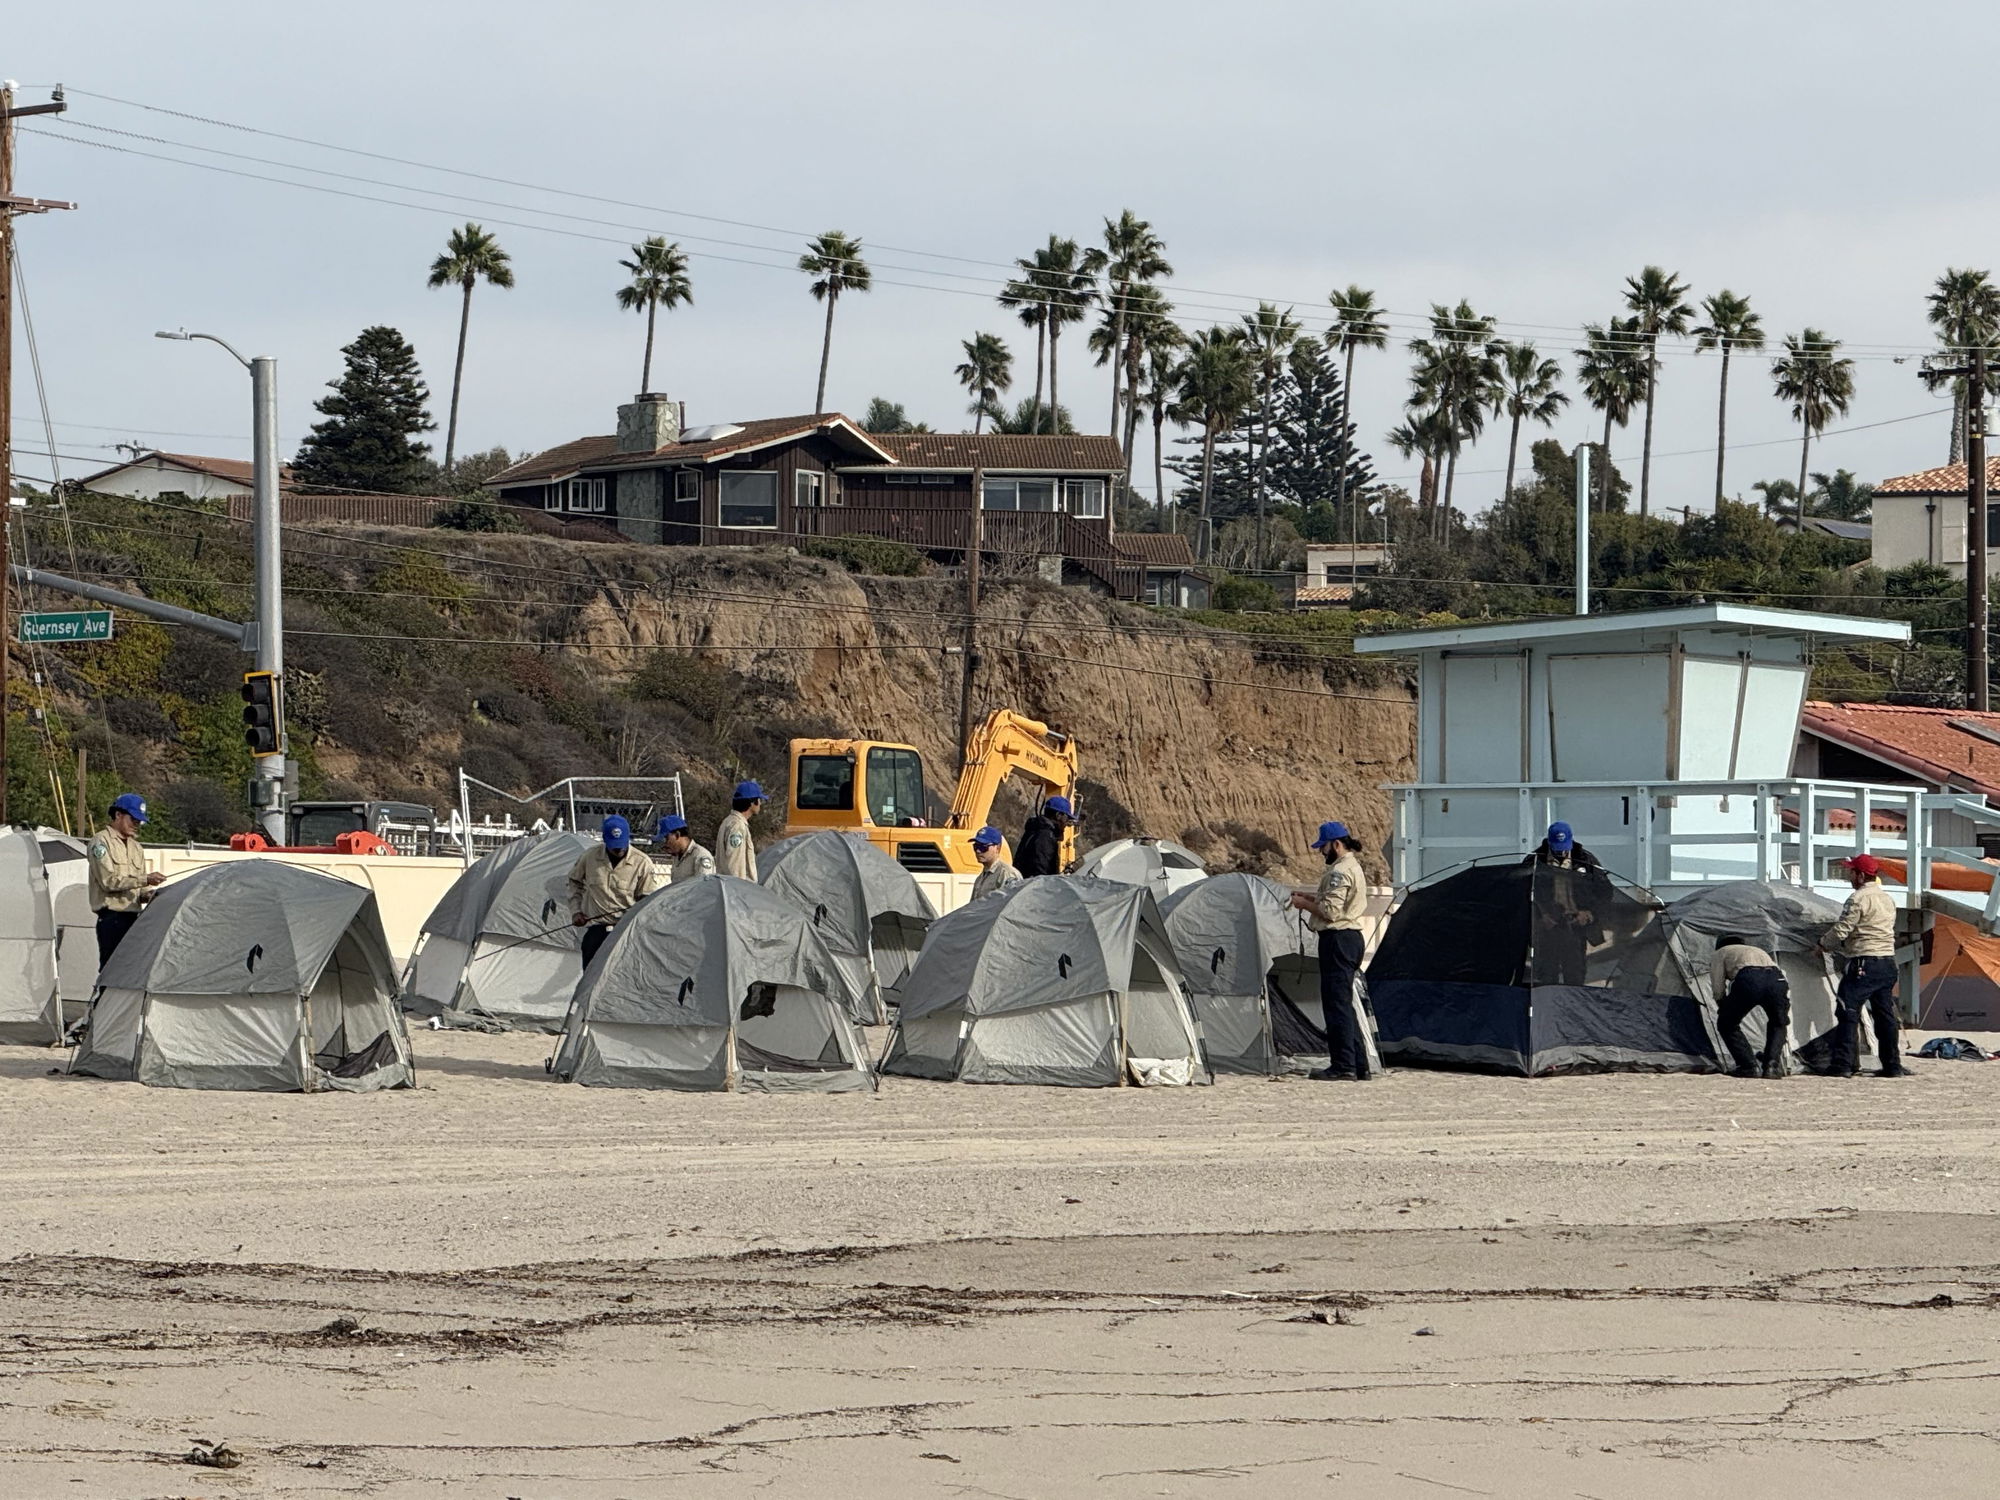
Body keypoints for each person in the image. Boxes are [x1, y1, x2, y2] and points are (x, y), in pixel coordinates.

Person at [1290, 819, 1373, 1081]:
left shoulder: (1339, 871)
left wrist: (1302, 905)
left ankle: (1343, 1065)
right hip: (1350, 939)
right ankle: (1359, 1064)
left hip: (1338, 940)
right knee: (1344, 1004)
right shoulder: (1352, 867)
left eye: (1323, 847)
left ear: (1336, 844)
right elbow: (1334, 902)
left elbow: (1330, 911)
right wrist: (1311, 898)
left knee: (1336, 1005)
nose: (1320, 852)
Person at [1820, 853, 1905, 1077]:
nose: (1849, 876)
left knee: (1847, 1010)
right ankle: (1892, 1065)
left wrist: (1822, 944)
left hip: (1863, 961)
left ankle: (1843, 1065)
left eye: (1851, 872)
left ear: (1861, 875)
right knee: (1884, 1014)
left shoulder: (1857, 899)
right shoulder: (1887, 899)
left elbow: (1843, 929)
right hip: (1887, 961)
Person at [567, 815, 661, 968]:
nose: (619, 850)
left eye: (622, 845)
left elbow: (647, 899)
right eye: (614, 846)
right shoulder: (589, 857)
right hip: (596, 929)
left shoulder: (642, 862)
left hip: (625, 931)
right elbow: (574, 882)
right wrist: (576, 911)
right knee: (591, 976)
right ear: (604, 840)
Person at [1525, 822, 1609, 986]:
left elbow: (1605, 892)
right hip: (1547, 929)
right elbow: (1525, 894)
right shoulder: (1534, 861)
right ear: (1548, 842)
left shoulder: (1586, 860)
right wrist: (1540, 917)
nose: (1560, 851)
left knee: (1575, 976)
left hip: (1576, 927)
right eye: (1556, 847)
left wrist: (1590, 914)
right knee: (1546, 977)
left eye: (1564, 846)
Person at [88, 791, 164, 967]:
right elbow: (108, 881)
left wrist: (152, 895)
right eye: (133, 819)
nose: (137, 824)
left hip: (134, 917)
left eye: (139, 821)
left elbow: (142, 892)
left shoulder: (137, 847)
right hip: (111, 918)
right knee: (111, 969)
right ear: (118, 815)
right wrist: (145, 879)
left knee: (133, 969)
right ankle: (102, 995)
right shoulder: (100, 842)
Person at [1709, 932, 1792, 1078]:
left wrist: (1722, 1004)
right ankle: (1772, 1066)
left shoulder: (1720, 953)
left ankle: (1748, 1066)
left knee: (1727, 1024)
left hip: (1750, 978)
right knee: (1778, 1023)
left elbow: (1718, 984)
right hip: (1777, 979)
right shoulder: (1757, 950)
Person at [1015, 795, 1074, 879]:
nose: (1066, 824)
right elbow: (1041, 871)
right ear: (1058, 815)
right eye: (1066, 819)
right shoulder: (1045, 836)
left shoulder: (1034, 830)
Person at [717, 781, 763, 881]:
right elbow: (734, 865)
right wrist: (738, 891)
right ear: (752, 802)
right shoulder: (737, 826)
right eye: (759, 800)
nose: (760, 803)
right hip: (738, 890)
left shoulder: (728, 821)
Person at [657, 814, 716, 885]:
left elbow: (704, 888)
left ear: (677, 835)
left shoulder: (700, 856)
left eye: (666, 839)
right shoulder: (677, 857)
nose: (665, 844)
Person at [1524, 821, 1604, 873]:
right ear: (1549, 842)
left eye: (1565, 848)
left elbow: (1603, 885)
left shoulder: (1586, 860)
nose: (1562, 853)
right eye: (1557, 849)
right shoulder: (1533, 859)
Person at [969, 825, 1021, 900]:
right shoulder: (980, 878)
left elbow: (1012, 906)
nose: (978, 851)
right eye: (976, 846)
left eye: (983, 847)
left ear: (997, 848)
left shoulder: (1006, 874)